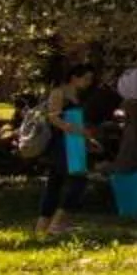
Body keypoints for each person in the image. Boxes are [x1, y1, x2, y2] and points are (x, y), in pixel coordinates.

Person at [35, 61, 98, 238]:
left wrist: (87, 138)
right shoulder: (59, 92)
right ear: (74, 78)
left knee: (55, 183)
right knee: (78, 180)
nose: (89, 82)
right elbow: (53, 117)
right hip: (61, 143)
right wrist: (75, 129)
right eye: (86, 78)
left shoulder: (78, 95)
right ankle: (58, 222)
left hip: (75, 142)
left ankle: (43, 227)